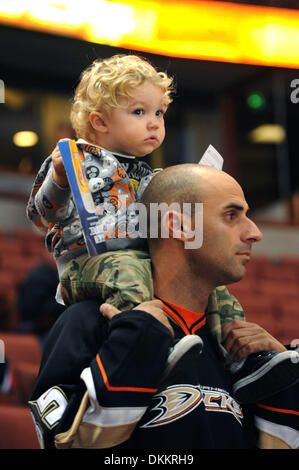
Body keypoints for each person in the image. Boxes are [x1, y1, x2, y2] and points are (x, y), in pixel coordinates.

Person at [26, 54, 257, 400]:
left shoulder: (149, 176)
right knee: (127, 273)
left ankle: (240, 364)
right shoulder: (75, 158)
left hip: (140, 261)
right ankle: (146, 348)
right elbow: (41, 215)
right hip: (88, 265)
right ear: (100, 121)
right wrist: (59, 179)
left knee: (216, 291)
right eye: (139, 112)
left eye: (159, 114)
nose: (154, 124)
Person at [29, 164, 299, 449]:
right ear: (180, 226)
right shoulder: (89, 321)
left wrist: (286, 385)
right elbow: (60, 443)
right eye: (231, 215)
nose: (254, 232)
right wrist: (133, 345)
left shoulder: (238, 348)